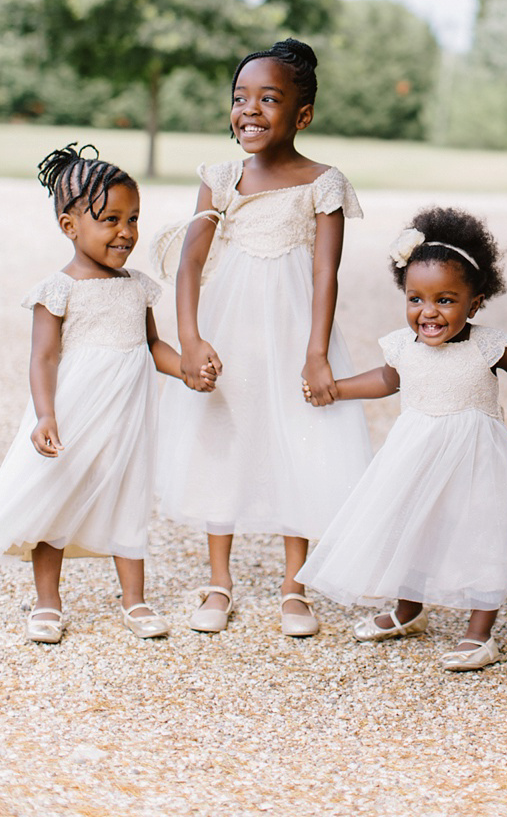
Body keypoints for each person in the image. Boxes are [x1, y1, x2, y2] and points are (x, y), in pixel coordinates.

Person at [153, 38, 372, 637]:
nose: (249, 109)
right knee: (220, 436)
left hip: (292, 334)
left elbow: (326, 271)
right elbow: (191, 264)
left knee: (294, 438)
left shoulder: (324, 183)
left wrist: (316, 352)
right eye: (240, 97)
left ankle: (293, 586)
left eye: (268, 98)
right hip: (228, 331)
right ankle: (218, 580)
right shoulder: (220, 179)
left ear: (301, 115)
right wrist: (191, 340)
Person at [298, 207, 507, 671]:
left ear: (475, 302)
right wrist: (337, 390)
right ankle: (408, 611)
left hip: (474, 457)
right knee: (411, 525)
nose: (428, 312)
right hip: (415, 452)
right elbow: (387, 380)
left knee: (478, 534)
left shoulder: (487, 344)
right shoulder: (402, 346)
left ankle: (479, 632)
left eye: (445, 300)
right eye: (416, 299)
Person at [0, 144, 193, 643]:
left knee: (128, 492)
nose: (126, 232)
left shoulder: (137, 286)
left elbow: (151, 346)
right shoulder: (56, 289)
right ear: (70, 226)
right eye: (110, 219)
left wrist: (186, 369)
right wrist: (45, 415)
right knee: (55, 494)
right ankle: (47, 602)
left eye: (133, 218)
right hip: (73, 410)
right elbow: (43, 357)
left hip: (125, 416)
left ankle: (135, 600)